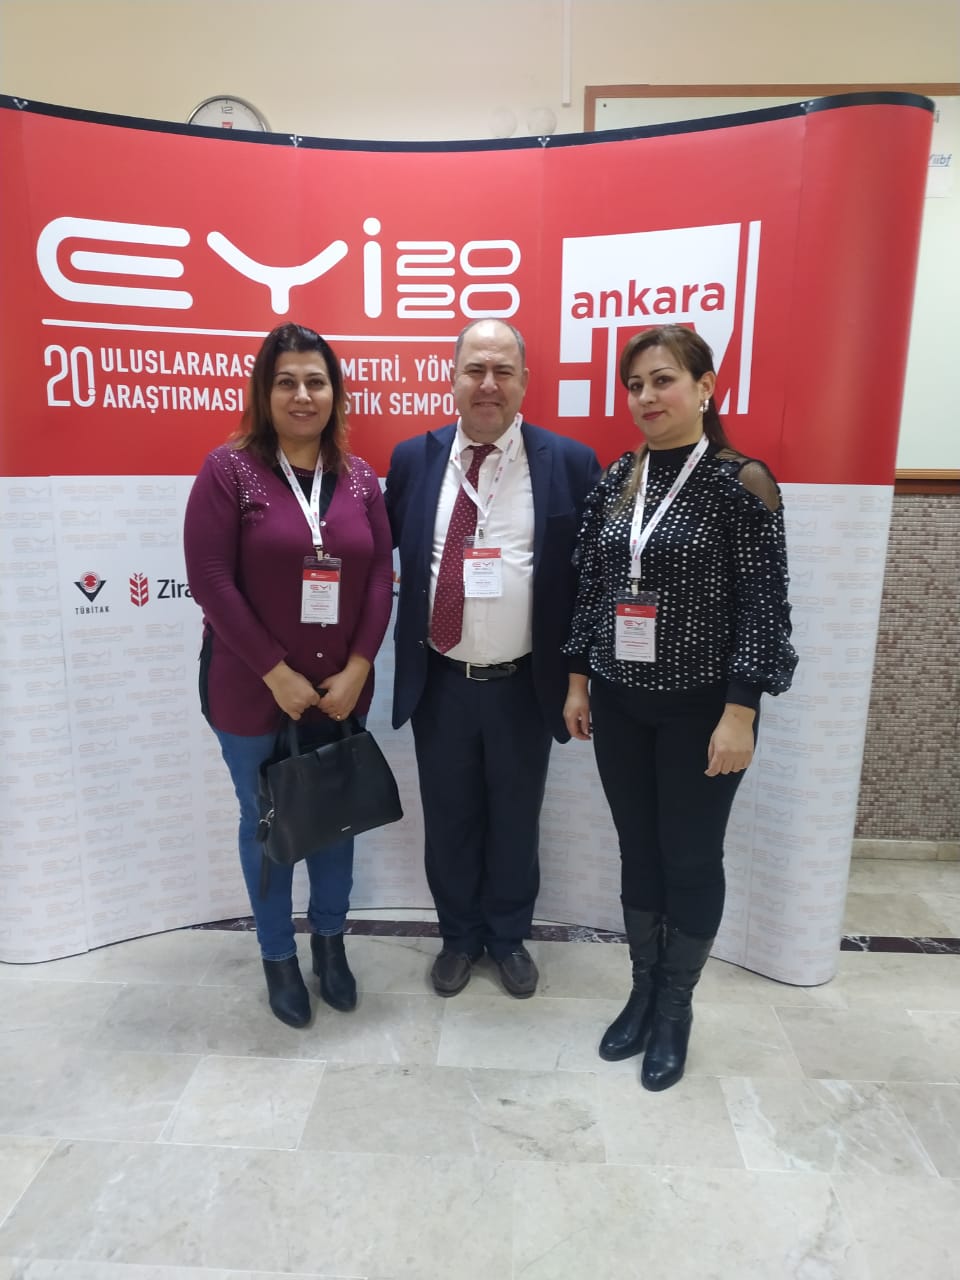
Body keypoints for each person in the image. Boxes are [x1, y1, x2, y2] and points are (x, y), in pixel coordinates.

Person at [563, 324, 798, 1091]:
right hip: (619, 704)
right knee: (639, 851)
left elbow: (764, 607)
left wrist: (742, 711)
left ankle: (675, 1007)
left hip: (703, 713)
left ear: (705, 388)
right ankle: (642, 990)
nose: (646, 397)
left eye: (662, 380)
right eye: (635, 385)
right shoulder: (617, 479)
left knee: (690, 857)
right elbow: (593, 586)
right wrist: (577, 680)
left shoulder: (742, 481)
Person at [184, 323, 393, 1029]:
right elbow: (211, 581)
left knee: (335, 819)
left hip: (339, 693)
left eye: (315, 381)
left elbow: (380, 576)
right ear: (264, 393)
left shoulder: (359, 478)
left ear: (335, 393)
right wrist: (275, 673)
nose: (303, 395)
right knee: (265, 823)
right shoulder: (229, 471)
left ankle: (331, 943)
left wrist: (359, 667)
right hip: (251, 693)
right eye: (286, 382)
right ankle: (277, 955)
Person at [385, 318, 601, 998]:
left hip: (522, 684)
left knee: (515, 818)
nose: (488, 384)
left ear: (524, 382)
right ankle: (458, 937)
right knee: (448, 819)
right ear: (451, 379)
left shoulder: (569, 462)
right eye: (474, 370)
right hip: (440, 681)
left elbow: (592, 581)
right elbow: (373, 556)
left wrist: (579, 678)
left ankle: (507, 937)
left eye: (502, 371)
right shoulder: (413, 460)